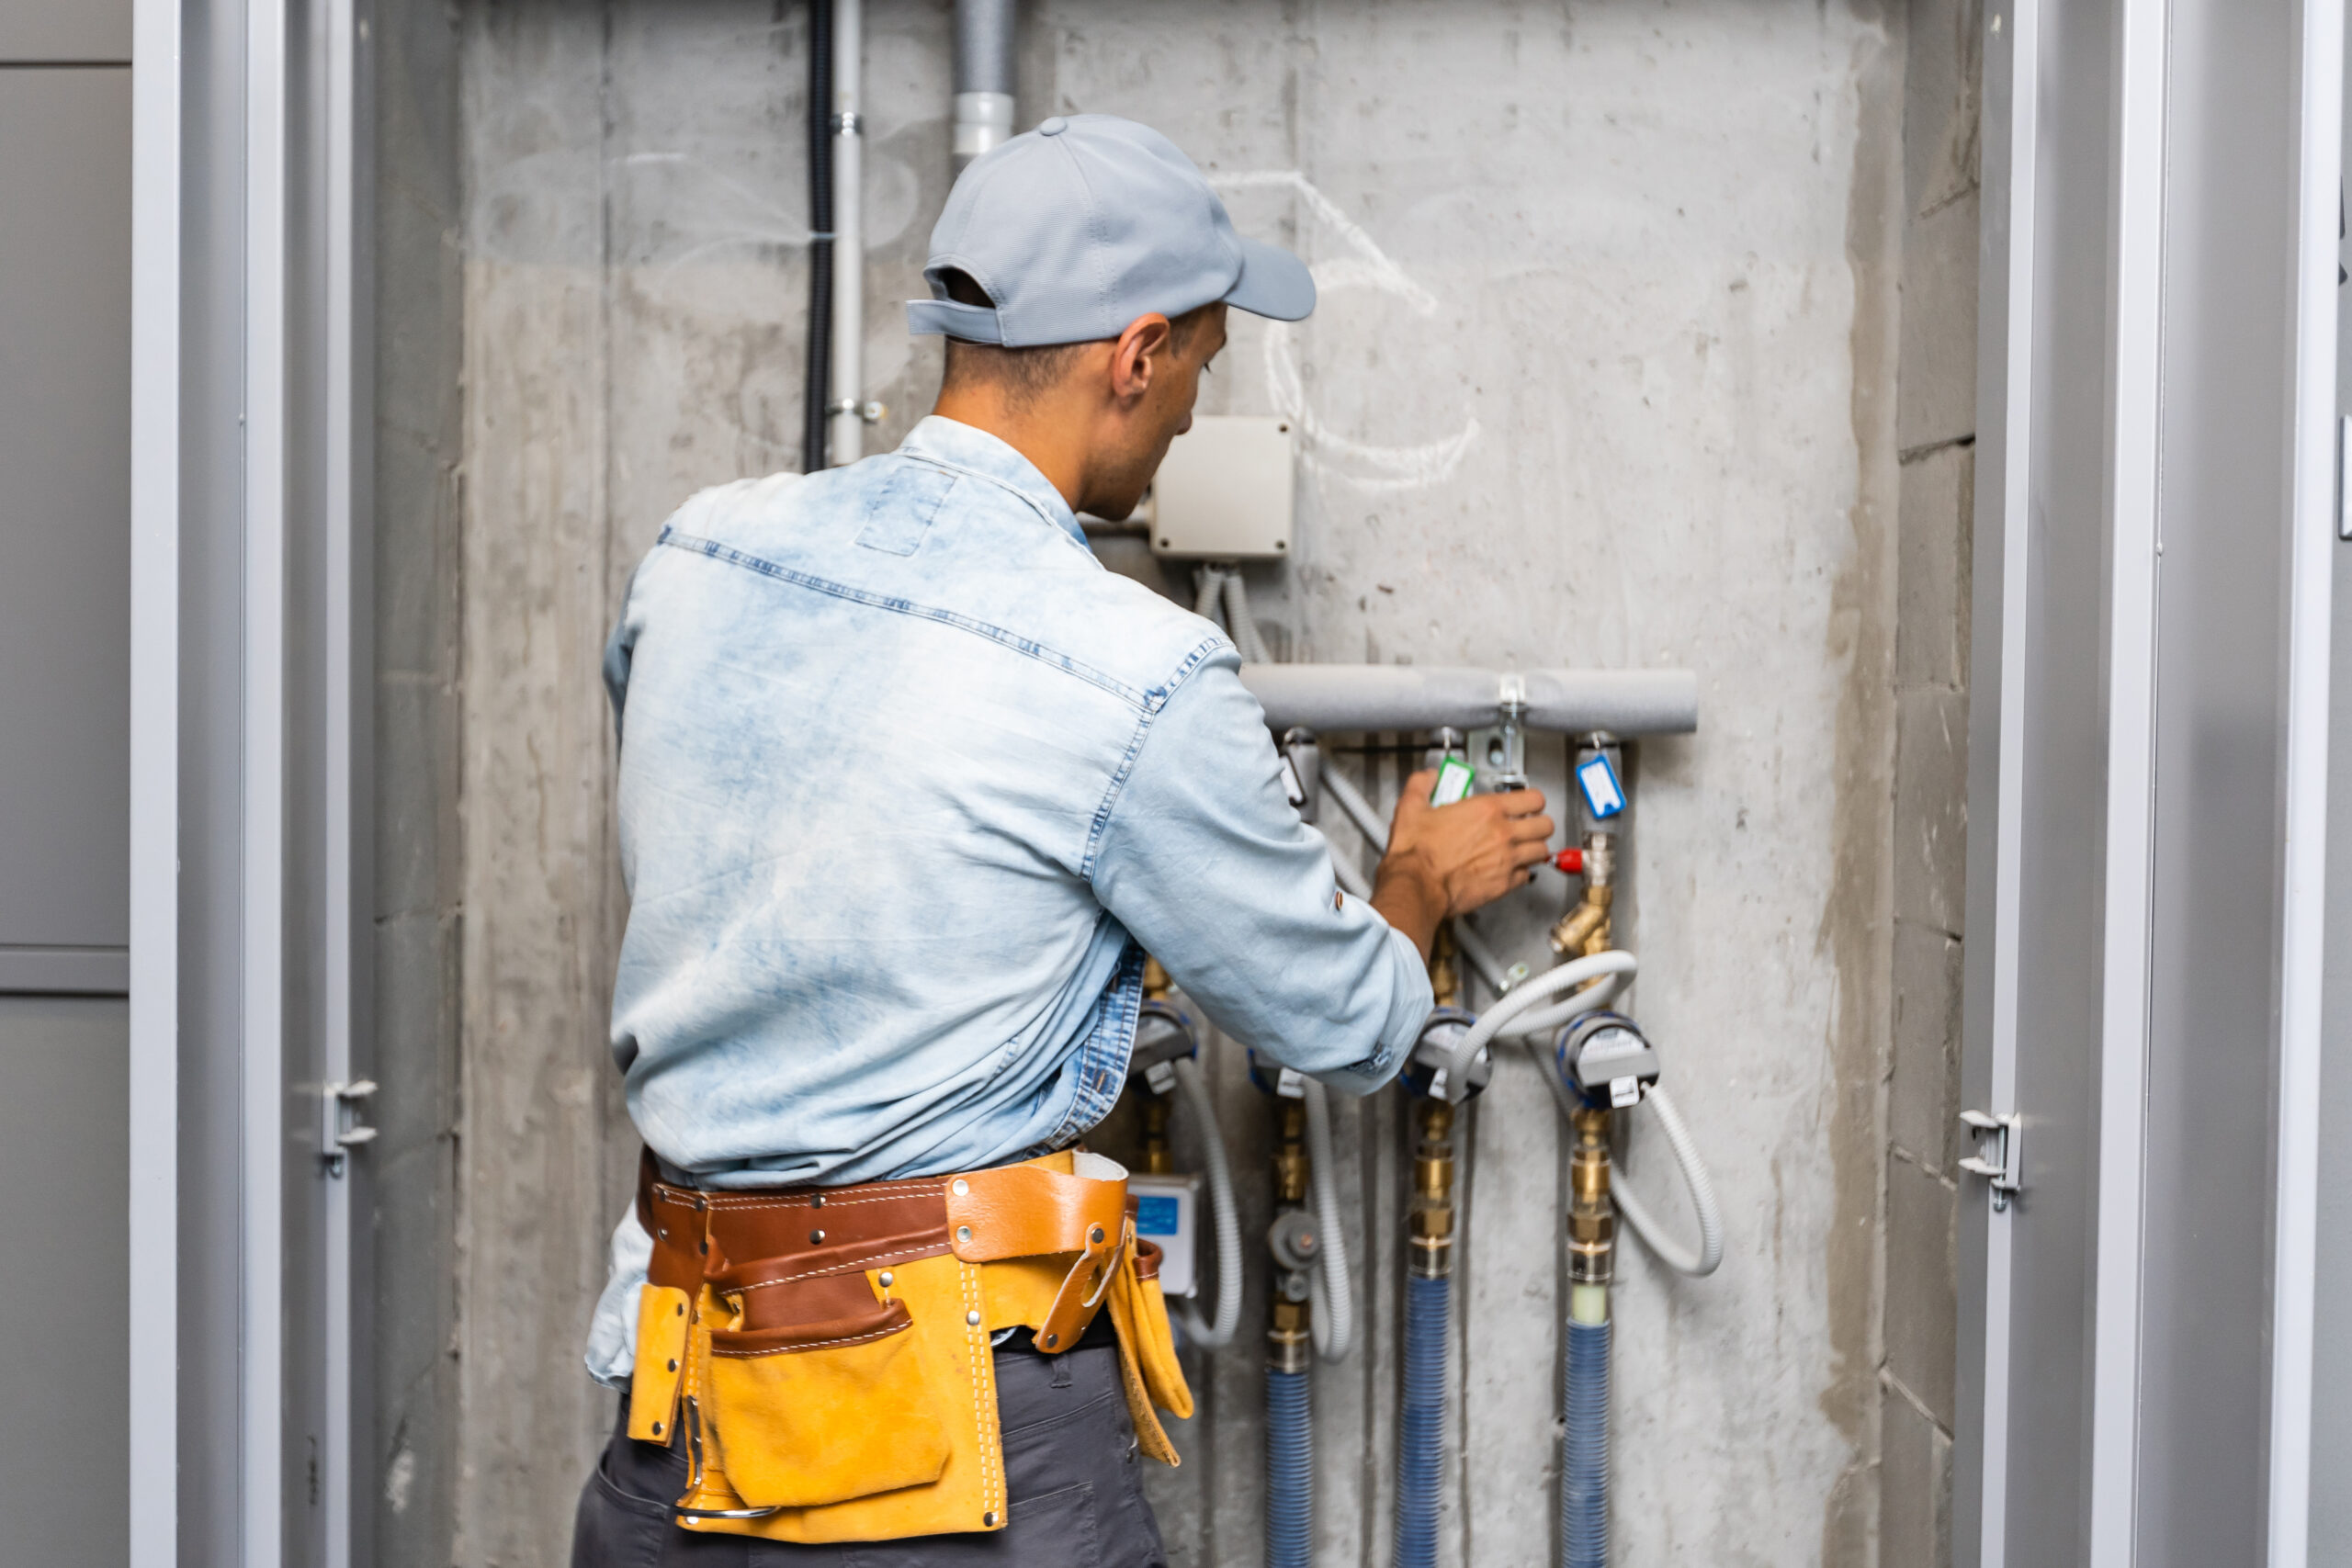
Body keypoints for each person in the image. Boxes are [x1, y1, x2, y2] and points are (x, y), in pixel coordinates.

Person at [570, 113, 1553, 1568]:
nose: (1186, 424)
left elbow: (756, 827)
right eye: (1203, 373)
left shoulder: (701, 550)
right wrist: (1411, 886)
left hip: (679, 1408)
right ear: (1137, 354)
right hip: (948, 1437)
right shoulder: (1130, 669)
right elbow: (1345, 1025)